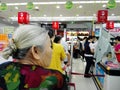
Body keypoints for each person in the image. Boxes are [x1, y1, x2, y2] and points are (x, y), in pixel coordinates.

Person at [0, 25, 68, 90]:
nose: (52, 50)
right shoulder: (56, 78)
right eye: (50, 46)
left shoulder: (2, 69)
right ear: (35, 51)